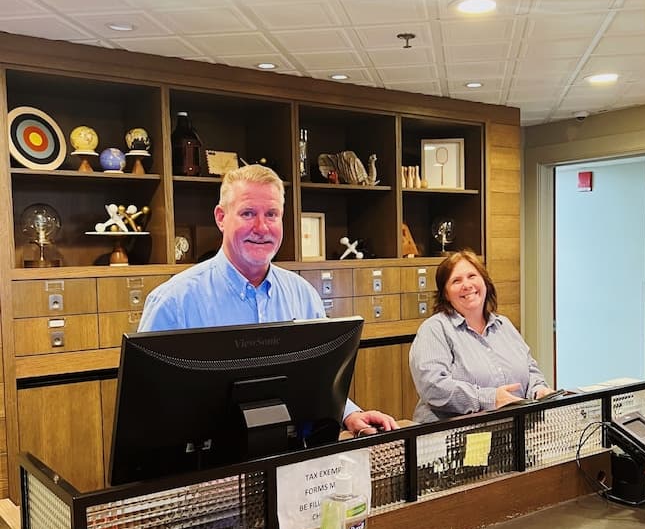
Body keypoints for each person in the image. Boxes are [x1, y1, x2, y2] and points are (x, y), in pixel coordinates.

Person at [138, 163, 398, 436]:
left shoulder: (303, 295)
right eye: (248, 213)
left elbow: (319, 380)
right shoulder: (174, 302)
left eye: (271, 214)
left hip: (293, 453)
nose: (261, 228)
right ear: (221, 218)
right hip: (206, 457)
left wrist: (349, 414)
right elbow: (147, 408)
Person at [409, 249, 554, 423]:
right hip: (455, 434)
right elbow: (433, 387)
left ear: (485, 282)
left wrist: (539, 390)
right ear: (445, 294)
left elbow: (530, 370)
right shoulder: (434, 329)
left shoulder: (504, 325)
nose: (467, 285)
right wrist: (490, 398)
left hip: (512, 428)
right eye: (456, 281)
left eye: (472, 276)